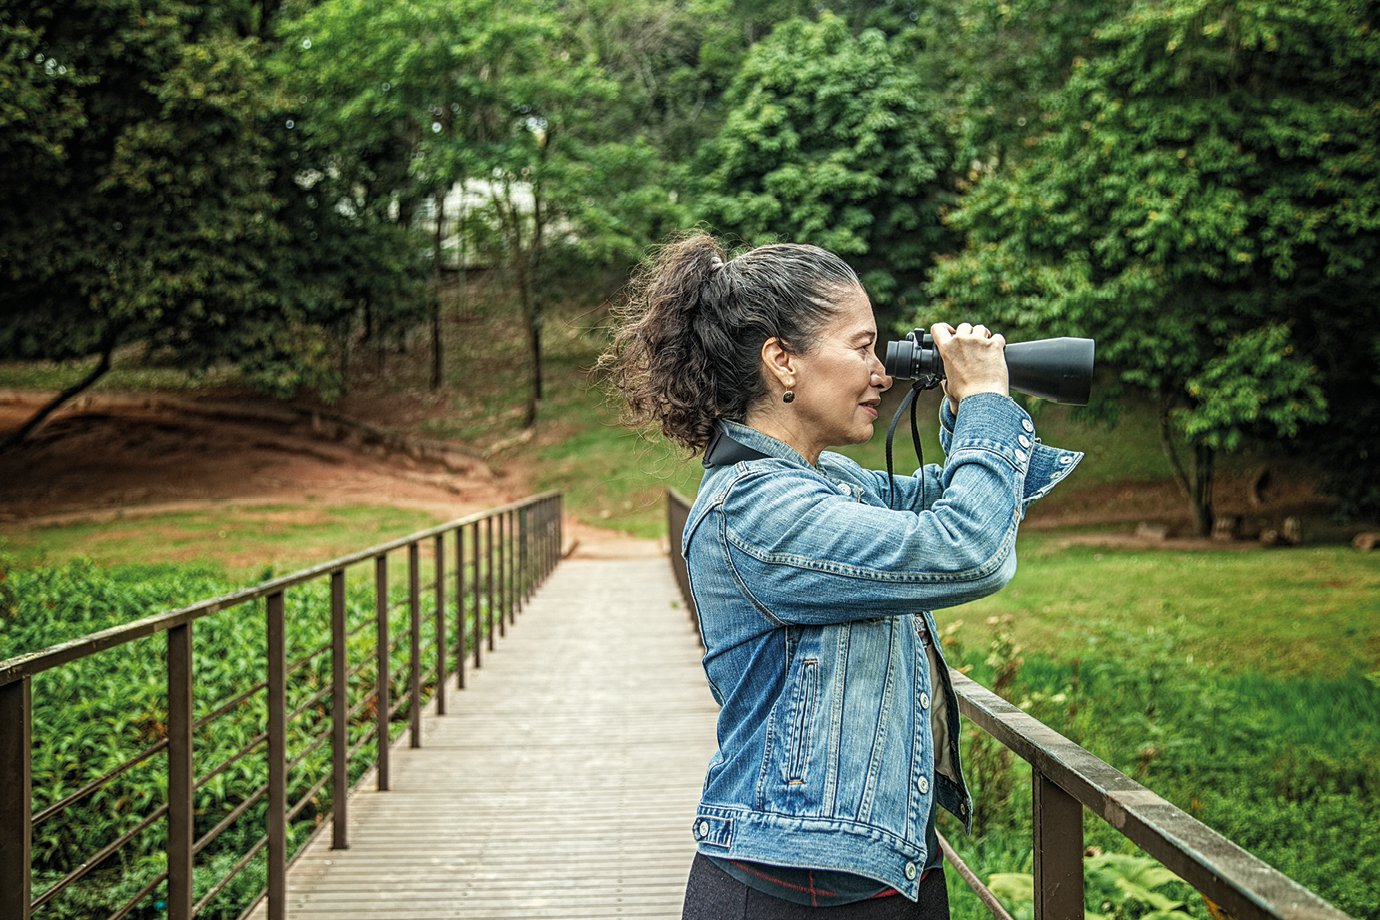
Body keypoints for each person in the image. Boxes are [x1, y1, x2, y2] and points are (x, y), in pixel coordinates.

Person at [602, 232, 1082, 918]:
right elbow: (969, 548)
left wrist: (964, 403)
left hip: (878, 869)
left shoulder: (828, 484)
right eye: (862, 347)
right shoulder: (756, 508)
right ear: (782, 361)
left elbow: (961, 502)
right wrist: (986, 407)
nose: (881, 373)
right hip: (792, 888)